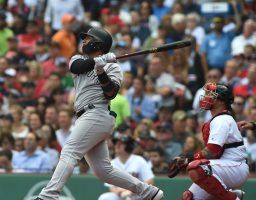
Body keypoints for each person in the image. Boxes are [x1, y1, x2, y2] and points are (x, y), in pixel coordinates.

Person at [34, 26, 163, 200]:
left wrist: (102, 71)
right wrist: (98, 62)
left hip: (97, 113)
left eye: (88, 39)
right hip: (84, 117)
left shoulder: (113, 67)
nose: (84, 42)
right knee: (104, 171)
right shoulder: (78, 58)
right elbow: (76, 67)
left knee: (70, 152)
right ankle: (149, 192)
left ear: (98, 44)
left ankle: (49, 195)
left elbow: (110, 93)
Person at [173, 83, 249, 200]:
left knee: (197, 168)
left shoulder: (222, 119)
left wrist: (189, 159)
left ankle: (233, 197)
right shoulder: (218, 118)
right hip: (224, 166)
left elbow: (213, 150)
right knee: (189, 197)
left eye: (210, 95)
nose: (205, 97)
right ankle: (234, 194)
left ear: (221, 101)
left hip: (235, 166)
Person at [98, 134, 155, 200]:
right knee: (105, 197)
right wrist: (121, 193)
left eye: (121, 143)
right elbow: (111, 187)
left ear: (129, 146)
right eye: (116, 143)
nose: (117, 145)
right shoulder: (111, 163)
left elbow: (150, 181)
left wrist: (131, 192)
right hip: (120, 195)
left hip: (138, 196)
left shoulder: (139, 160)